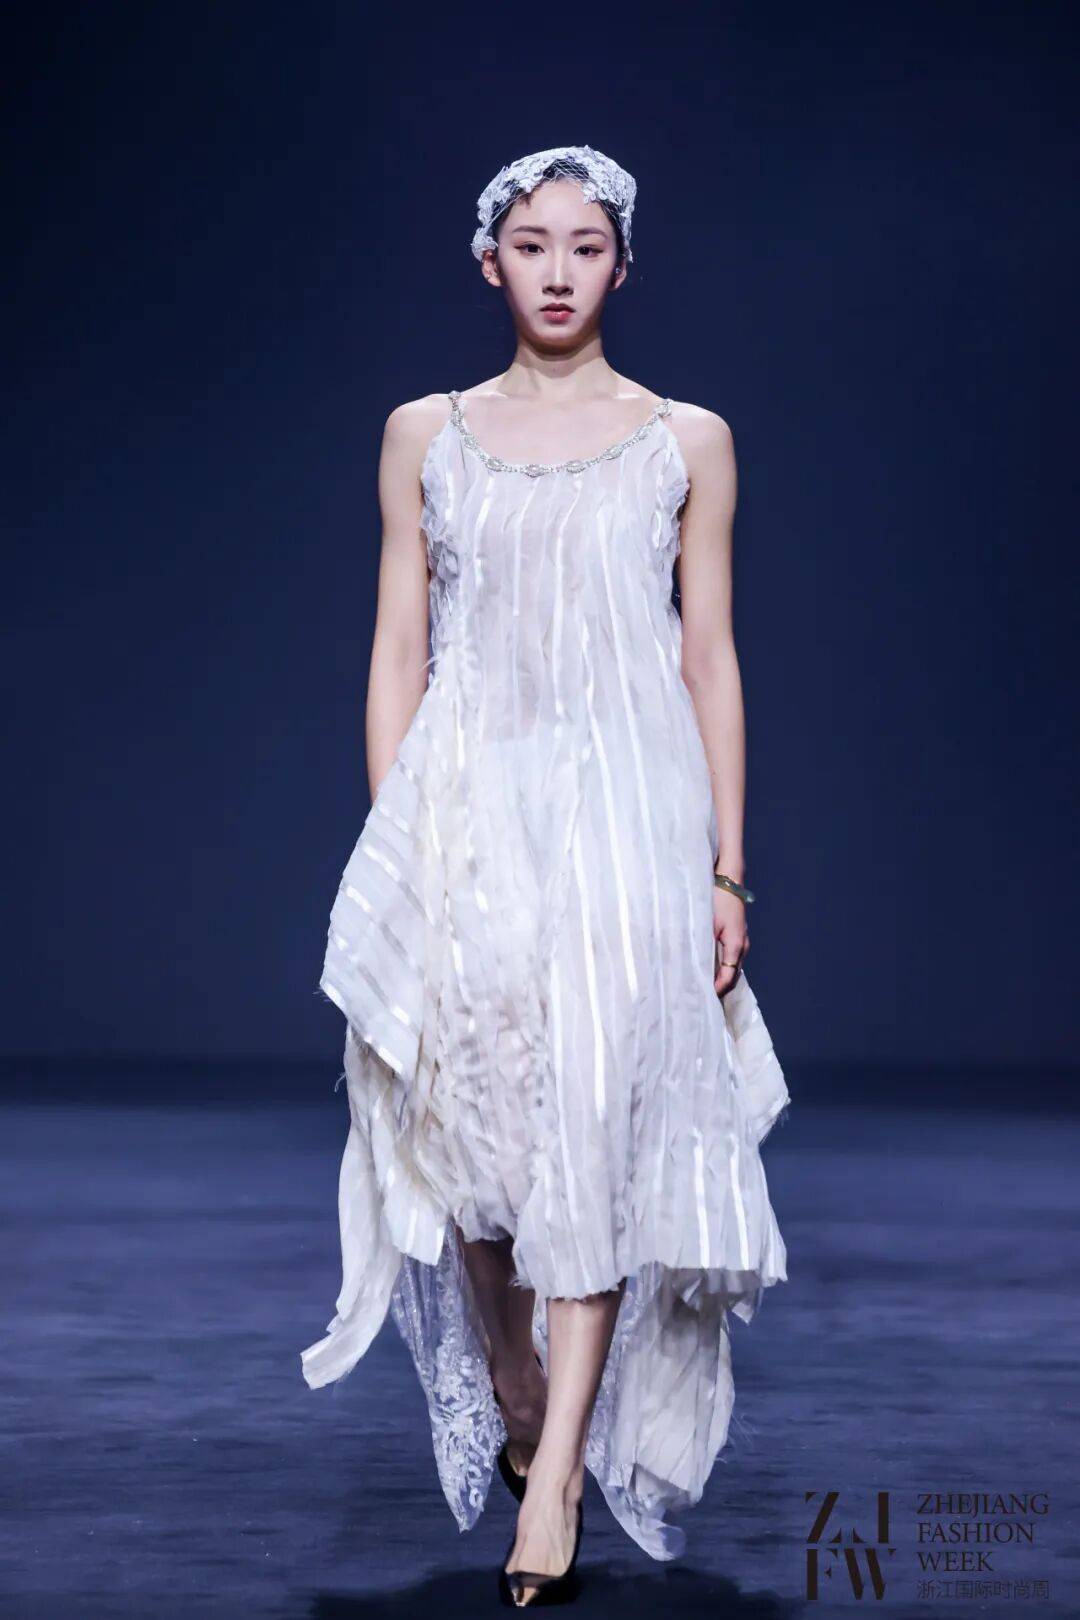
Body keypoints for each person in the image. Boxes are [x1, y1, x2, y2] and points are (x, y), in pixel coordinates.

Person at [301, 143, 790, 1608]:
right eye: (533, 243)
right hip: (471, 808)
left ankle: (559, 1475)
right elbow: (399, 644)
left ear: (622, 265)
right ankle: (519, 1393)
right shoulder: (426, 434)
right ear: (490, 262)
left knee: (592, 1124)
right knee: (467, 1142)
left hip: (630, 812)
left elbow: (710, 656)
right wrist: (404, 843)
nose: (560, 270)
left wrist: (728, 872)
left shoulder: (685, 440)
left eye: (586, 245)